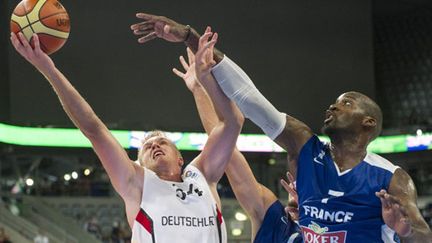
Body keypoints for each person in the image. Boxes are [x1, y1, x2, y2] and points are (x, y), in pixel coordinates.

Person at [130, 13, 432, 242]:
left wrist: (403, 230)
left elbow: (422, 234)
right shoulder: (305, 146)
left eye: (347, 103)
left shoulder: (391, 178)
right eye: (335, 102)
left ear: (369, 123)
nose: (333, 106)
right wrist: (191, 37)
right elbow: (250, 100)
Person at [10, 29, 243, 243]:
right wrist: (47, 68)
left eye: (162, 142)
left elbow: (233, 123)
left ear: (181, 159)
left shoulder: (202, 175)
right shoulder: (136, 183)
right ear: (139, 164)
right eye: (147, 147)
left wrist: (204, 82)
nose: (154, 146)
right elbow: (94, 129)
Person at [173, 45, 302, 242]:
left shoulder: (348, 229)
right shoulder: (277, 222)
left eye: (307, 188)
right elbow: (227, 153)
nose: (295, 193)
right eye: (297, 186)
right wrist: (200, 87)